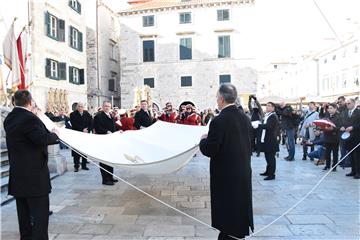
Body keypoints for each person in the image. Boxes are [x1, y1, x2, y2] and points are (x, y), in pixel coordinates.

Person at [199, 83, 253, 240]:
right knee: (239, 205)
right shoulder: (244, 117)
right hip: (242, 170)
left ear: (222, 99)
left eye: (217, 98)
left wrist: (203, 140)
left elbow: (210, 149)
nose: (216, 101)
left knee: (227, 208)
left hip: (226, 174)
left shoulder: (219, 120)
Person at [4, 90, 59, 240]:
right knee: (40, 216)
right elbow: (40, 139)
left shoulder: (10, 117)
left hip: (18, 176)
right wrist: (55, 134)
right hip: (34, 177)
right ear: (30, 102)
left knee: (24, 216)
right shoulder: (30, 118)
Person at [94, 101, 118, 185]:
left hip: (110, 140)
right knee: (104, 160)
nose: (107, 107)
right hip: (103, 140)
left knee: (110, 159)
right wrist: (106, 131)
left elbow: (113, 126)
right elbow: (97, 128)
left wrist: (117, 132)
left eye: (108, 106)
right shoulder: (98, 116)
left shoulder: (110, 115)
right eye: (105, 106)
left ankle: (110, 177)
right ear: (103, 107)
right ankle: (105, 179)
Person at [257, 102, 280, 180]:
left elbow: (269, 126)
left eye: (269, 106)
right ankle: (268, 171)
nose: (267, 107)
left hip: (271, 140)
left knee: (271, 158)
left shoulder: (273, 116)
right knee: (267, 156)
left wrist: (258, 125)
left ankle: (272, 174)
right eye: (266, 106)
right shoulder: (268, 115)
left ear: (273, 108)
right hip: (267, 139)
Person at [70, 102, 92, 172]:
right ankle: (76, 166)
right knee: (76, 151)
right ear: (77, 107)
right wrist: (82, 129)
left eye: (81, 106)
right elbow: (74, 124)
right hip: (77, 135)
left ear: (83, 107)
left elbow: (91, 122)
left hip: (85, 136)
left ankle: (84, 165)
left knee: (84, 151)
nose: (80, 108)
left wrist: (88, 129)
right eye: (79, 106)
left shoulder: (87, 114)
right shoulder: (73, 114)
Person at [341, 98, 360, 179]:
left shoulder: (358, 112)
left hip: (357, 137)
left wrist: (353, 127)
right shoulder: (345, 113)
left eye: (349, 103)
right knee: (351, 155)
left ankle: (358, 172)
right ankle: (353, 171)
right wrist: (342, 127)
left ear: (353, 103)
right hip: (348, 137)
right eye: (347, 104)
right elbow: (343, 122)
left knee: (357, 156)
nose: (347, 105)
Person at [322, 103, 342, 171]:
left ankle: (334, 166)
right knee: (327, 153)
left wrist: (333, 129)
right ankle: (327, 165)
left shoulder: (339, 117)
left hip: (334, 137)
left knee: (335, 153)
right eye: (328, 108)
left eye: (331, 108)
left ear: (335, 109)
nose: (329, 110)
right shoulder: (327, 116)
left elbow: (340, 127)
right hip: (327, 136)